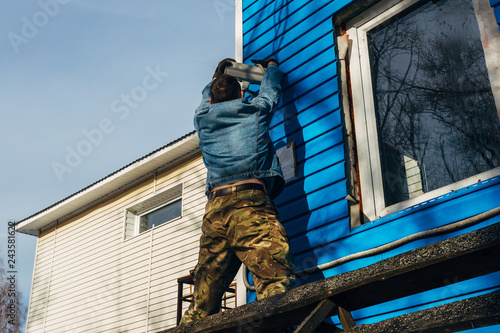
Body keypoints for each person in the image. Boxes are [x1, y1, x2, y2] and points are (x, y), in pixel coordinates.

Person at [178, 58, 296, 325]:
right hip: (248, 205)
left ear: (212, 100)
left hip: (215, 212)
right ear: (241, 93)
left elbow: (206, 95)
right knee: (275, 282)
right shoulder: (255, 110)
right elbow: (270, 91)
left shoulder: (202, 118)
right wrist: (272, 67)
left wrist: (217, 75)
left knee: (201, 304)